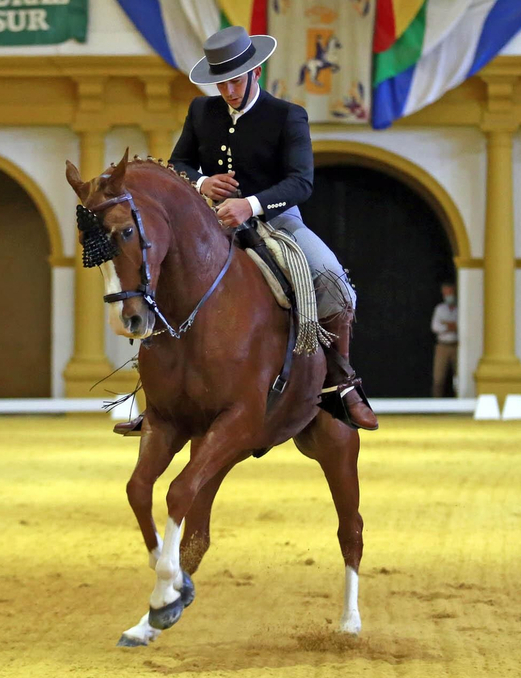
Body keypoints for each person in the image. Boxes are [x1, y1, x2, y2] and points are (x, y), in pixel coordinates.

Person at [115, 25, 378, 434]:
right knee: (159, 276)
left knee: (333, 280)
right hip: (211, 223)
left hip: (278, 221)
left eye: (234, 81)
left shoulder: (287, 115)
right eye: (221, 84)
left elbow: (301, 182)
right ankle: (160, 398)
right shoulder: (202, 112)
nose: (228, 92)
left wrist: (250, 203)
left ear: (255, 72)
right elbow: (178, 164)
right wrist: (203, 184)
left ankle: (341, 383)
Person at [430, 283, 459, 398]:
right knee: (438, 378)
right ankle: (436, 404)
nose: (448, 295)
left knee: (458, 378)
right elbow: (435, 327)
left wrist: (445, 324)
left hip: (457, 346)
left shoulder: (461, 309)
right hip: (442, 346)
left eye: (450, 292)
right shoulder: (440, 309)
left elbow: (463, 326)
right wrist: (450, 326)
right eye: (446, 293)